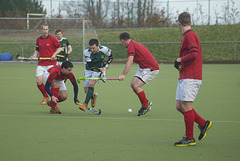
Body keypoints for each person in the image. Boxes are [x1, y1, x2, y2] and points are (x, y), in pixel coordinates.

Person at [173, 12, 212, 146]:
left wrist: (180, 59)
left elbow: (194, 54)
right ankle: (203, 123)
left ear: (179, 23)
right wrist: (181, 64)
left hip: (191, 76)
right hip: (184, 75)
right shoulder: (187, 35)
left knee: (186, 106)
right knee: (180, 106)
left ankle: (189, 138)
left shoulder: (190, 35)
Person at [118, 32, 159, 116]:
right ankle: (146, 102)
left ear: (122, 40)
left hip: (151, 68)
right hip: (143, 67)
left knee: (136, 86)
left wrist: (123, 74)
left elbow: (130, 61)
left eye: (120, 42)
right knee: (133, 84)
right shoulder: (132, 44)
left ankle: (145, 106)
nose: (121, 44)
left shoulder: (131, 46)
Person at [30, 24, 62, 105]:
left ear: (48, 30)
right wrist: (34, 56)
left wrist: (54, 54)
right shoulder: (38, 39)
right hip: (41, 63)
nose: (45, 31)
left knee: (51, 82)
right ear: (41, 30)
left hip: (51, 64)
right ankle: (45, 96)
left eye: (46, 29)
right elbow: (37, 50)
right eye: (44, 29)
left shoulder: (52, 38)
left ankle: (53, 98)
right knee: (38, 81)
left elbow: (60, 48)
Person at [79, 39, 113, 111]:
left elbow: (111, 57)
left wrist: (106, 64)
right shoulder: (86, 52)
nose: (92, 50)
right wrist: (99, 69)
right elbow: (91, 66)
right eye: (90, 48)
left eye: (93, 48)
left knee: (91, 84)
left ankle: (85, 104)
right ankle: (93, 96)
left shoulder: (104, 49)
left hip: (99, 69)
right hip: (89, 69)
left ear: (98, 46)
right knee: (86, 90)